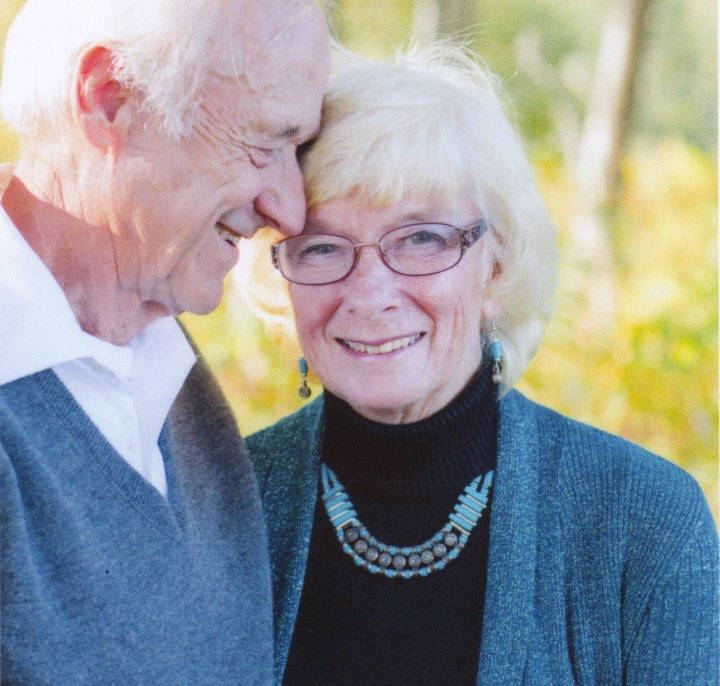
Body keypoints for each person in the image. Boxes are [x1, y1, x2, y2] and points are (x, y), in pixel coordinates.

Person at [244, 45, 719, 685]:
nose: (370, 294)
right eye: (323, 247)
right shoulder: (225, 501)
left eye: (420, 238)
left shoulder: (646, 521)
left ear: (495, 266)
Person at [0, 0, 329, 682]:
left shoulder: (176, 387)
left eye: (299, 154)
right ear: (108, 100)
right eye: (263, 145)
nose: (290, 212)